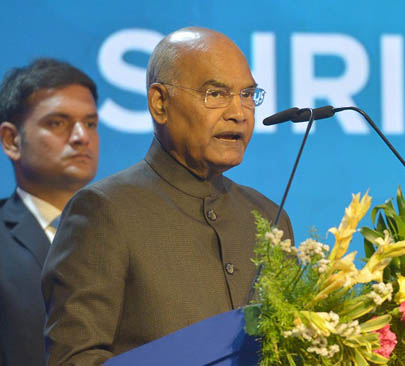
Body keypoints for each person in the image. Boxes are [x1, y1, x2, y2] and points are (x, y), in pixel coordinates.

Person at [41, 27, 293, 365]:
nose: (240, 112)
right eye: (216, 94)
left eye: (247, 94)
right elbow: (74, 359)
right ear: (160, 103)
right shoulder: (104, 211)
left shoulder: (268, 216)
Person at [0, 58, 100, 366]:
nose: (81, 136)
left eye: (91, 123)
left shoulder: (129, 228)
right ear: (11, 140)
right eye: (58, 123)